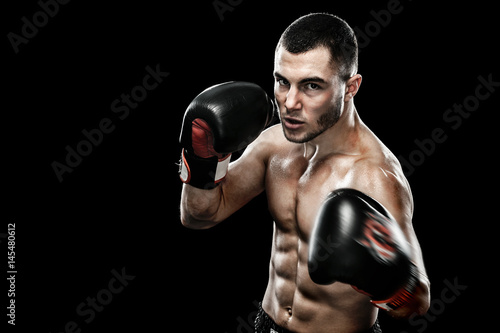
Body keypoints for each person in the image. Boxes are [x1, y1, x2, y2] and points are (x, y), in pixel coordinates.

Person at [178, 13, 430, 333]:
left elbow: (417, 304)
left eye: (311, 85)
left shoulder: (374, 176)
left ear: (350, 87)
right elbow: (199, 215)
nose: (290, 103)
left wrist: (386, 282)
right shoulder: (274, 145)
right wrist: (204, 157)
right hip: (265, 324)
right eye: (283, 81)